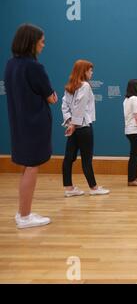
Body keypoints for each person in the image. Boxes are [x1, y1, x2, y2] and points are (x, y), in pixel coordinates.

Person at [4, 23, 57, 229]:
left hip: (19, 124)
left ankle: (23, 212)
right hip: (35, 125)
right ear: (32, 42)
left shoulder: (10, 65)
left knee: (27, 167)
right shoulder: (34, 67)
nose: (43, 46)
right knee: (32, 167)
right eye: (41, 42)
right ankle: (25, 216)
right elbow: (51, 97)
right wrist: (52, 96)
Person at [61, 60, 110, 197]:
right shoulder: (85, 86)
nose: (92, 73)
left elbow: (65, 107)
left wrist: (70, 123)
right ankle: (94, 188)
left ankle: (69, 188)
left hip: (74, 127)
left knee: (69, 157)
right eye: (90, 70)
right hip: (83, 128)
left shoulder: (69, 87)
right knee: (86, 159)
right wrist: (73, 124)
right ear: (84, 71)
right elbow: (80, 107)